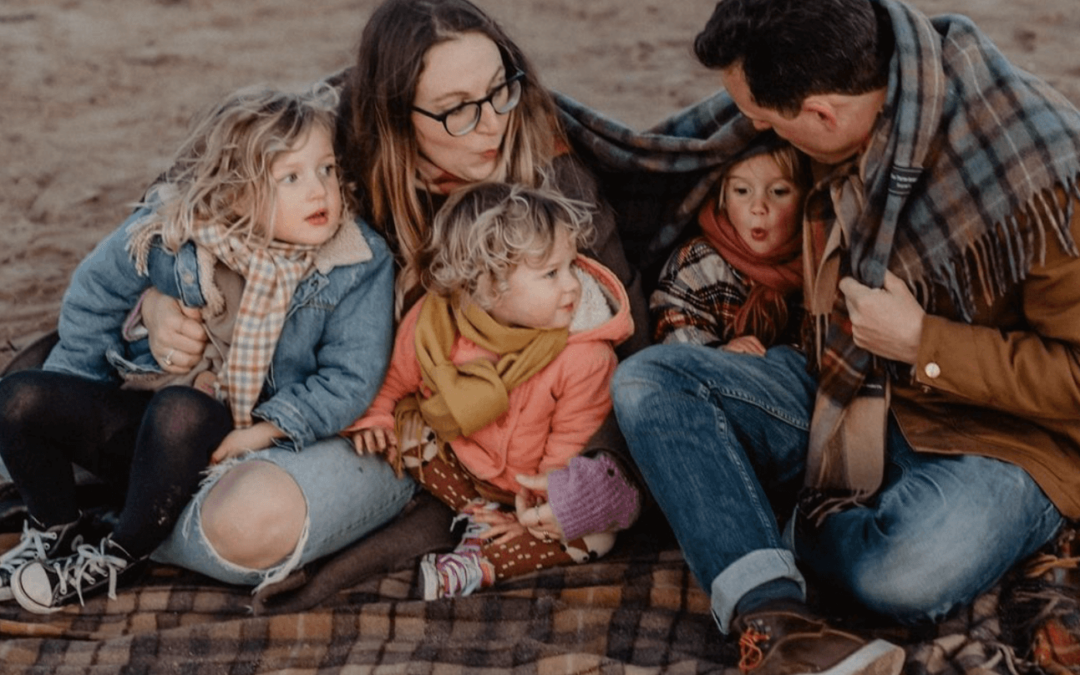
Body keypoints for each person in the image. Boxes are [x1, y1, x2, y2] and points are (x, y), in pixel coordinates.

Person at [607, 0, 1080, 673]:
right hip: (843, 382)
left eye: (766, 124)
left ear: (824, 115)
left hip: (1002, 435)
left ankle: (757, 518)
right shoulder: (869, 74)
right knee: (652, 379)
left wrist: (925, 343)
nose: (748, 131)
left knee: (905, 571)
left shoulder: (1045, 177)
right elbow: (656, 156)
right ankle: (774, 620)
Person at [135, 0, 647, 587]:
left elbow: (626, 350)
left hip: (443, 448)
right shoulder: (336, 146)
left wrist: (585, 482)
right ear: (396, 117)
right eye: (456, 110)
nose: (491, 123)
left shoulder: (552, 177)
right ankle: (136, 520)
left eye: (499, 88)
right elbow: (178, 196)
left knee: (246, 524)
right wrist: (155, 300)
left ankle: (134, 532)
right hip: (349, 413)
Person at [0, 84, 414, 611]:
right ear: (236, 193)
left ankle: (118, 554)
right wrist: (78, 382)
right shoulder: (179, 232)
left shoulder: (355, 261)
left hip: (224, 442)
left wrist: (267, 429)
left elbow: (350, 378)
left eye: (327, 169)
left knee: (180, 412)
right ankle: (55, 530)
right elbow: (96, 289)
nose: (320, 192)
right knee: (18, 398)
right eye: (291, 177)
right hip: (143, 431)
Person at [347, 182, 637, 599]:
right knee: (406, 429)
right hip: (463, 460)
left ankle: (480, 563)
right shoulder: (436, 323)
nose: (572, 285)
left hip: (536, 485)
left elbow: (571, 449)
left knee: (593, 538)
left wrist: (537, 514)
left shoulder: (584, 357)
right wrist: (376, 417)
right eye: (551, 274)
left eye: (571, 266)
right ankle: (476, 516)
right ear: (485, 287)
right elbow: (396, 379)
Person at [650, 143, 810, 353]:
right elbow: (672, 328)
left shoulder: (815, 264)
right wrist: (721, 352)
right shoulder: (699, 261)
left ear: (805, 199)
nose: (758, 208)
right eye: (742, 191)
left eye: (778, 191)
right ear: (723, 198)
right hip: (708, 376)